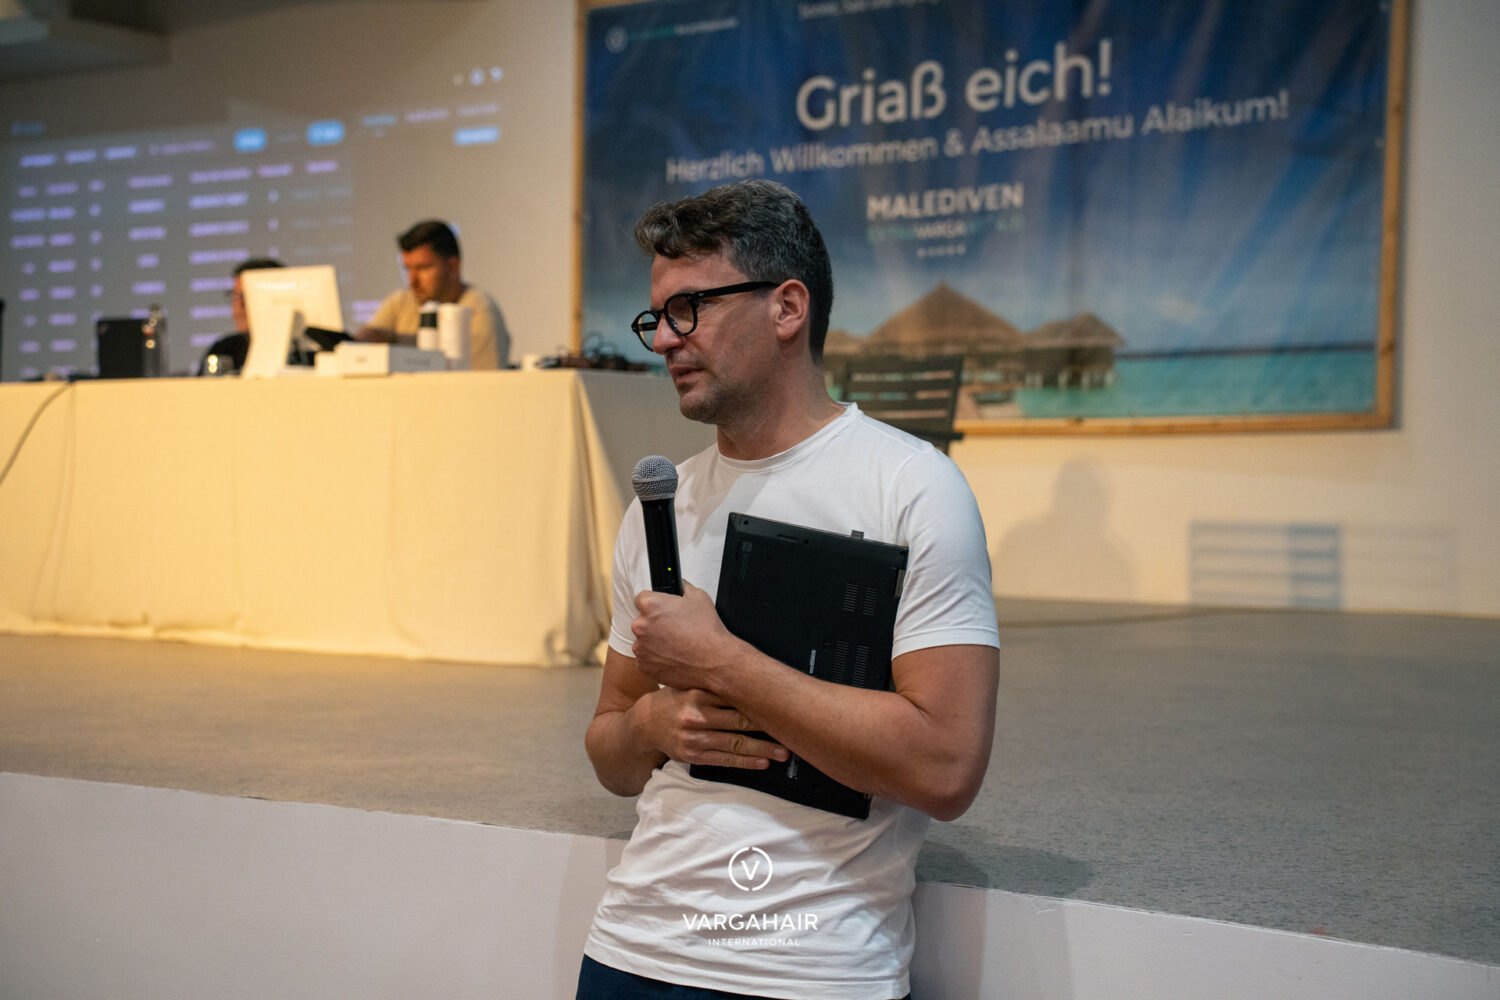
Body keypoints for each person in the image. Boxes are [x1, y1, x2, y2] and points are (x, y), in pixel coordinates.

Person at [578, 180, 1000, 1000]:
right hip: (632, 952)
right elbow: (610, 753)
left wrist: (723, 665)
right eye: (655, 317)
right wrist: (653, 723)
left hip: (811, 969)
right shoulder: (660, 506)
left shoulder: (912, 488)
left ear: (787, 307)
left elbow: (947, 768)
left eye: (689, 308)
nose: (663, 340)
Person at [355, 219, 510, 369]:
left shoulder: (479, 310)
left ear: (452, 267)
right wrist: (364, 342)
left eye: (423, 268)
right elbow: (366, 340)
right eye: (408, 269)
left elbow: (482, 381)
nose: (413, 280)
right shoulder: (400, 302)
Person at [197, 257, 283, 374]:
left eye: (247, 295)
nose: (239, 305)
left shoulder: (301, 352)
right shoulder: (223, 350)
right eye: (235, 295)